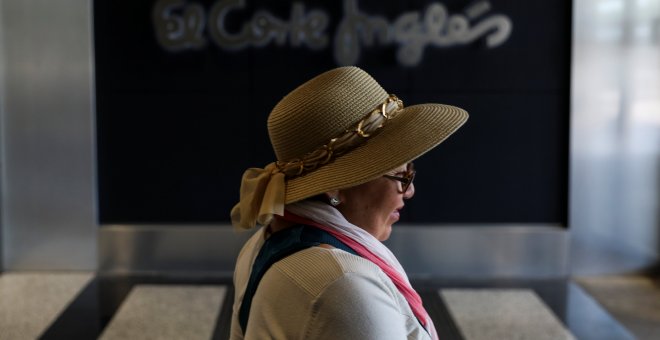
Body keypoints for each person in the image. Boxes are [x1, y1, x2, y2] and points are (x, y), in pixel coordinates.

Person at [229, 66, 468, 339]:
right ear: (337, 186)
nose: (410, 190)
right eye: (400, 176)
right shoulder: (345, 284)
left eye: (410, 171)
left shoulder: (263, 243)